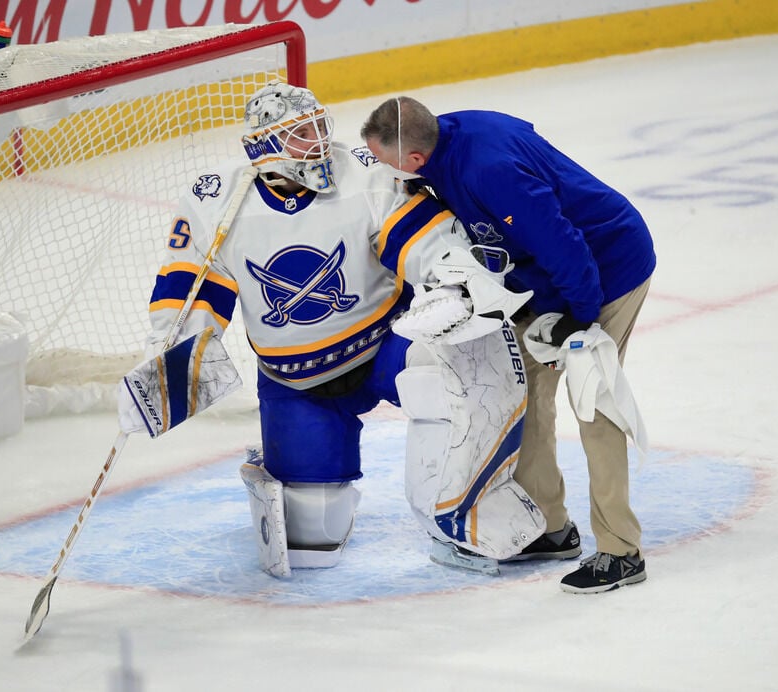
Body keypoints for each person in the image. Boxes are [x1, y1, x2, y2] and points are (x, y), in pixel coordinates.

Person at [120, 82, 546, 577]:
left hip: (385, 347)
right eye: (302, 134)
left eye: (321, 126)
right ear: (265, 148)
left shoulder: (365, 176)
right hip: (294, 382)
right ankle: (279, 462)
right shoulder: (215, 202)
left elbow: (429, 240)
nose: (320, 142)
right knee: (311, 540)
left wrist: (454, 282)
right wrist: (164, 361)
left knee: (441, 373)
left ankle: (451, 515)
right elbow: (189, 292)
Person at [360, 97, 656, 593]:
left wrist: (580, 321)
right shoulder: (442, 137)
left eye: (386, 161)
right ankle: (551, 526)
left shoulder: (490, 171)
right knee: (528, 393)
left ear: (413, 157)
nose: (383, 171)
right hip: (549, 277)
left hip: (607, 269)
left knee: (594, 401)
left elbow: (563, 243)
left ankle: (620, 551)